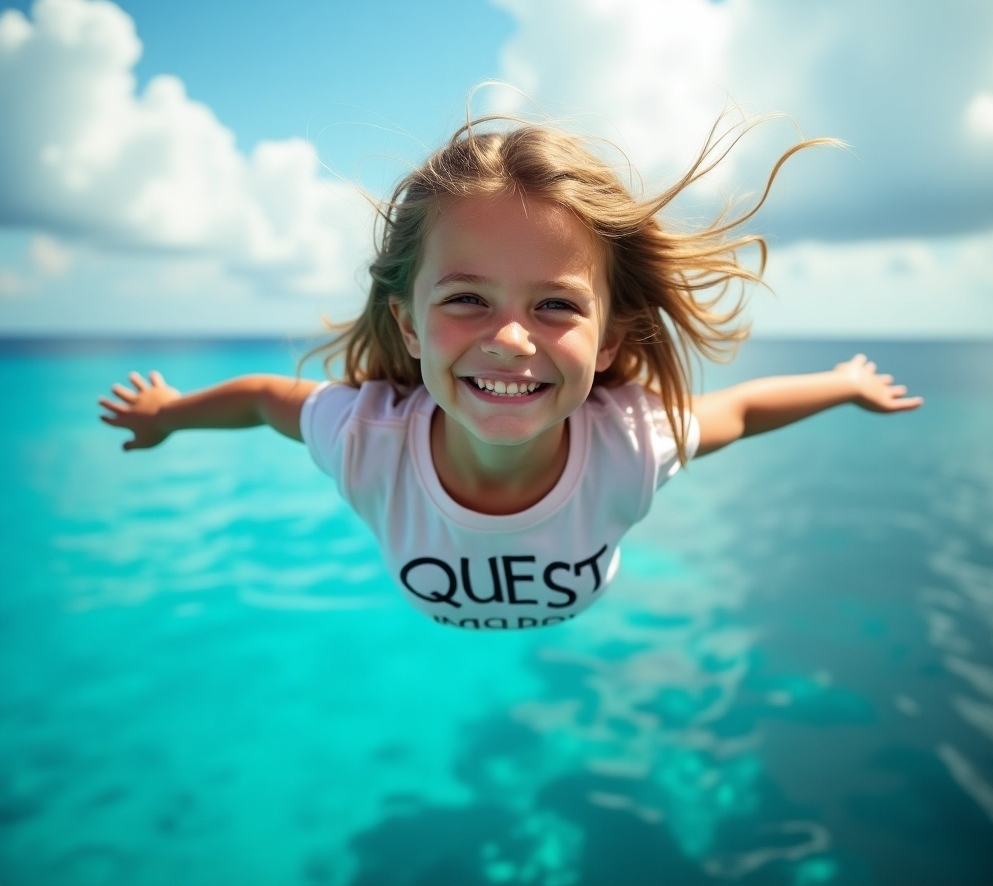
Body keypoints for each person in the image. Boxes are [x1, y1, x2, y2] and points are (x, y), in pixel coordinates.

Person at [99, 115, 922, 631]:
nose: (511, 340)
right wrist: (168, 413)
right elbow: (263, 399)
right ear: (408, 326)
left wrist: (845, 385)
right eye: (466, 298)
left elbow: (739, 413)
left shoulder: (630, 442)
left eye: (556, 307)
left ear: (607, 343)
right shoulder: (367, 439)